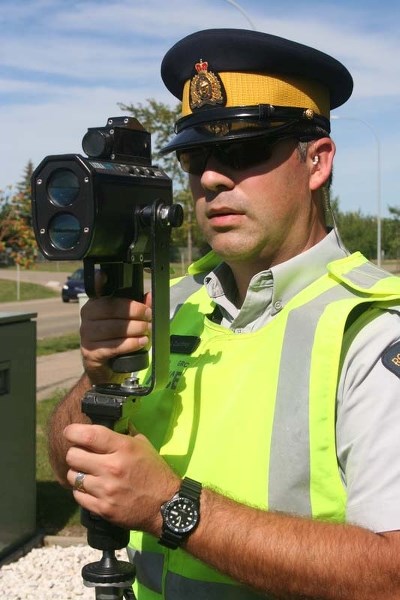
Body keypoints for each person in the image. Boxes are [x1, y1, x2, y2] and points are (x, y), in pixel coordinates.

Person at [48, 28, 400, 599]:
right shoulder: (172, 307)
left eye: (242, 150)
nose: (211, 177)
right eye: (194, 156)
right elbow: (72, 464)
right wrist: (98, 376)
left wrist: (171, 508)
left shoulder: (370, 332)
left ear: (317, 161)